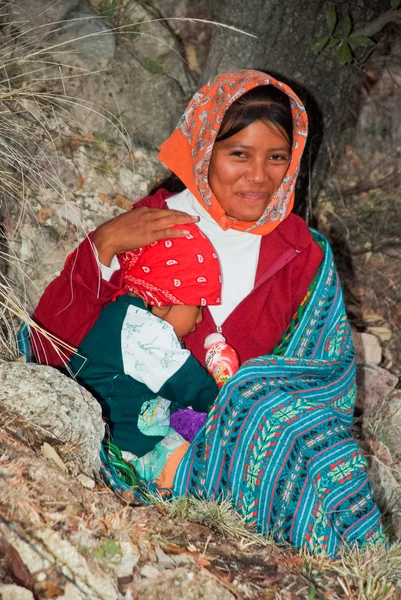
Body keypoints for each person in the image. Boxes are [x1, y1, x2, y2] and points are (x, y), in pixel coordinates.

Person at [30, 70, 385, 555]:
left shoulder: (304, 255)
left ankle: (358, 561)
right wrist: (104, 245)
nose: (259, 176)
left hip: (261, 435)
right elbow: (53, 347)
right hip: (154, 447)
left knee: (290, 429)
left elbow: (325, 373)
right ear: (202, 150)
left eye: (277, 157)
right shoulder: (149, 226)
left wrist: (246, 396)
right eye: (239, 153)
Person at [69, 221, 221, 489]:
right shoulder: (144, 330)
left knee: (183, 454)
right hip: (118, 446)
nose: (200, 318)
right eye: (198, 306)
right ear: (163, 302)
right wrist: (222, 401)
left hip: (140, 436)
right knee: (184, 465)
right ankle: (153, 495)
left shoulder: (127, 317)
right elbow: (187, 381)